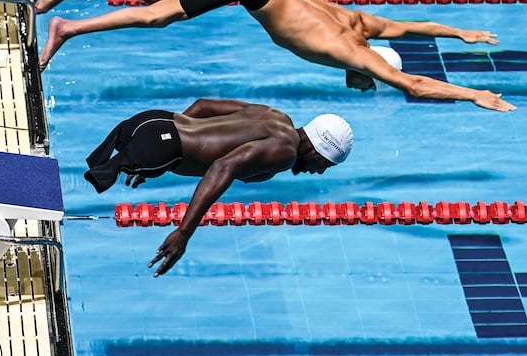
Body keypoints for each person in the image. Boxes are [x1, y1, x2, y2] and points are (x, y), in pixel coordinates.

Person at [35, 0, 516, 112]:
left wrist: (460, 33)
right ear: (374, 66)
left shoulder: (363, 23)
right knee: (158, 15)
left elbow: (411, 26)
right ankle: (68, 29)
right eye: (371, 79)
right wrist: (472, 94)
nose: (363, 83)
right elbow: (414, 84)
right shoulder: (356, 53)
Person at [84, 98, 354, 277]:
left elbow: (202, 107)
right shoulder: (286, 152)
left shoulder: (276, 116)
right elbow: (223, 167)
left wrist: (160, 155)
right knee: (66, 197)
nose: (316, 171)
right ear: (319, 152)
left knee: (63, 171)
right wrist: (183, 232)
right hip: (161, 144)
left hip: (155, 121)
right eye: (325, 165)